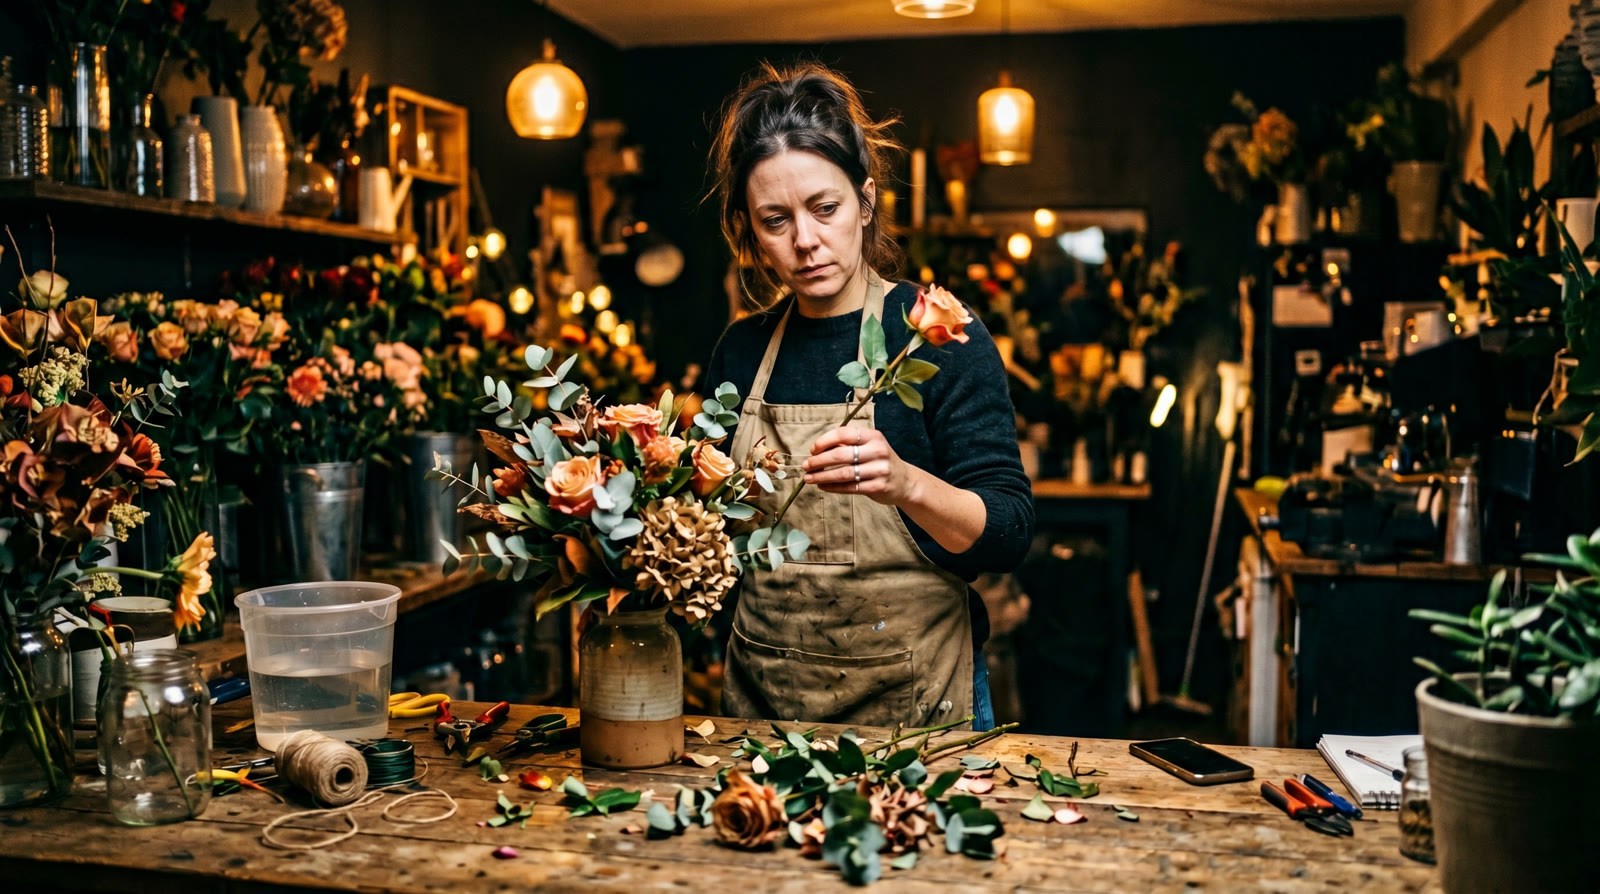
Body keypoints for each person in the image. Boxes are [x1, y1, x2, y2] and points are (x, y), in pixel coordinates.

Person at [703, 61, 1034, 731]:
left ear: (866, 199)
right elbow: (712, 542)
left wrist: (906, 484)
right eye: (775, 220)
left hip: (914, 717)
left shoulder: (933, 334)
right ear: (749, 228)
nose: (805, 240)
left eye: (825, 208)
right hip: (765, 710)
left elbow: (1008, 531)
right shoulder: (739, 353)